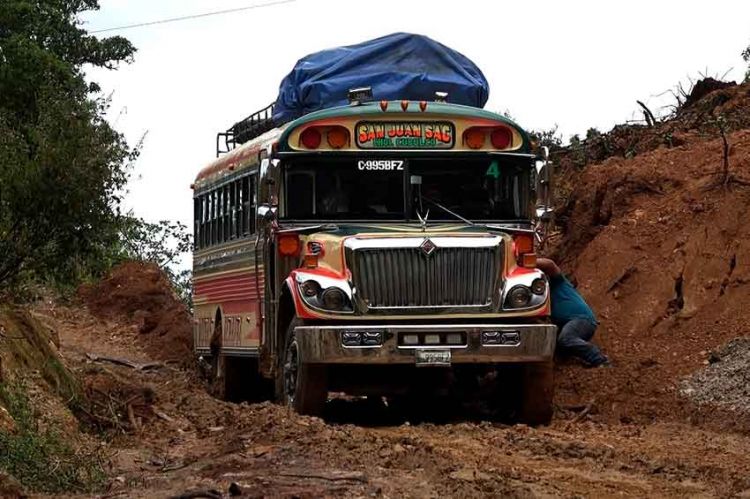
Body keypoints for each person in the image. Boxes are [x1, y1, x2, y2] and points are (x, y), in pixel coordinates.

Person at [536, 258, 610, 367]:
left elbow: (550, 264)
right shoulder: (541, 299)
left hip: (582, 319)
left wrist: (524, 262)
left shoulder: (558, 283)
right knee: (556, 344)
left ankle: (600, 360)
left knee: (566, 338)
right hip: (572, 322)